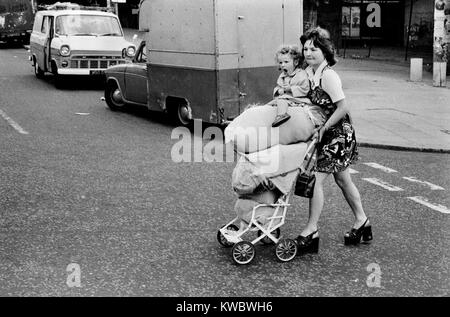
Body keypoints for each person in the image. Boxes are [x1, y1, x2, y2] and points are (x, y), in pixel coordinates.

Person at [295, 27, 372, 254]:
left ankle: (311, 231)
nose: (308, 52)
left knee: (315, 181)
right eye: (306, 48)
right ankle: (362, 222)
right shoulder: (310, 72)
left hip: (337, 133)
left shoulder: (328, 75)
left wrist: (323, 128)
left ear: (325, 51)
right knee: (343, 180)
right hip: (326, 132)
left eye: (314, 48)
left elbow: (342, 107)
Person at [270, 45, 314, 127]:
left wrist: (290, 89)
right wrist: (279, 90)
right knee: (273, 102)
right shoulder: (283, 75)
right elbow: (278, 87)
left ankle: (282, 115)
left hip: (299, 99)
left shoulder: (301, 74)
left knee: (281, 99)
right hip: (287, 98)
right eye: (280, 63)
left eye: (286, 62)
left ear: (296, 62)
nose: (283, 65)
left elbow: (305, 88)